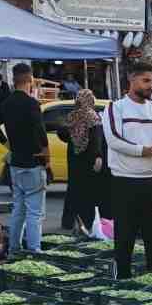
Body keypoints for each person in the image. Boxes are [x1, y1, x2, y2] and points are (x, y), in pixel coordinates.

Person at [103, 61, 152, 279]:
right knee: (124, 236)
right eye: (146, 81)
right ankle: (123, 279)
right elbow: (114, 140)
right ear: (131, 80)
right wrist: (144, 151)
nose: (151, 85)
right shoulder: (115, 108)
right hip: (125, 182)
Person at [0, 63, 54, 255]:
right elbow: (41, 133)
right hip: (33, 163)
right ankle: (34, 250)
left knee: (18, 208)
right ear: (30, 80)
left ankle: (14, 248)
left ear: (14, 80)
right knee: (35, 211)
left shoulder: (7, 103)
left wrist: (6, 143)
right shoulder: (32, 104)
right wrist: (47, 156)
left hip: (15, 163)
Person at [58, 89, 107, 233]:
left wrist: (74, 140)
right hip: (88, 157)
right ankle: (87, 221)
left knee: (73, 189)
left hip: (73, 157)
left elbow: (63, 134)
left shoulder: (72, 116)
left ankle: (68, 221)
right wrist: (98, 156)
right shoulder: (93, 116)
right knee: (88, 191)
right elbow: (97, 138)